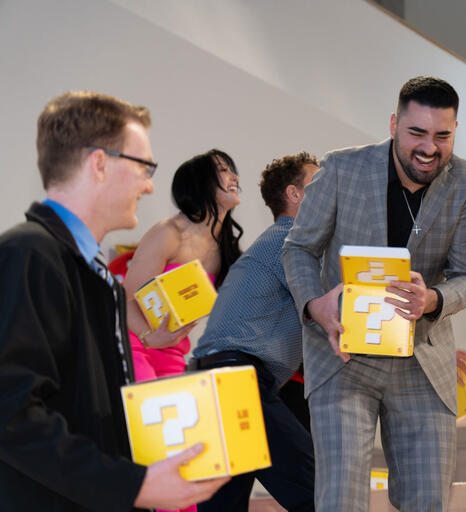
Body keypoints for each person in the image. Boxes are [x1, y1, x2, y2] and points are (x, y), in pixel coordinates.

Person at [0, 91, 228, 510]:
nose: (150, 184)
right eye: (143, 166)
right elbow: (11, 414)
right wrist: (131, 485)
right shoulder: (30, 254)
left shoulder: (92, 271)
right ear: (99, 163)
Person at [282, 76, 466, 511]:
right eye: (416, 133)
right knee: (341, 500)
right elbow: (299, 248)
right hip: (343, 361)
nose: (429, 148)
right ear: (394, 124)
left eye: (442, 136)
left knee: (427, 500)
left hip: (423, 365)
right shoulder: (341, 168)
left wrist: (431, 299)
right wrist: (316, 306)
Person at [190, 152, 318, 512]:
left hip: (211, 381)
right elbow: (342, 309)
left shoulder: (275, 242)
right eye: (318, 184)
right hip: (237, 380)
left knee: (223, 506)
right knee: (323, 494)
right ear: (294, 194)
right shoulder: (295, 242)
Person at [123, 149, 243, 382]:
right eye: (223, 170)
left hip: (173, 353)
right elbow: (124, 298)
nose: (235, 177)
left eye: (232, 171)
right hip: (136, 346)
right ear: (200, 183)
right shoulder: (168, 233)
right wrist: (149, 338)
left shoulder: (224, 249)